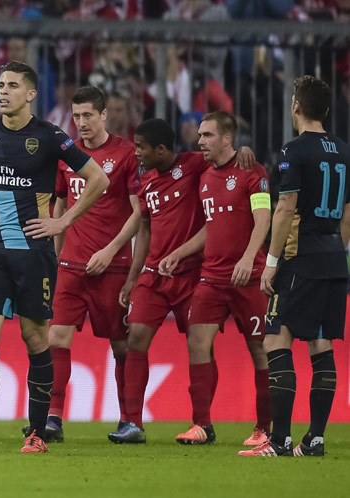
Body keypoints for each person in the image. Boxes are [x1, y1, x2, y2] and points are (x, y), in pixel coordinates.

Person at [0, 60, 109, 454]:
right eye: (0, 85)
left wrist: (61, 222)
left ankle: (36, 432)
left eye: (12, 86)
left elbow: (99, 179)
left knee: (35, 338)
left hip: (34, 253)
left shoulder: (50, 137)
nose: (3, 92)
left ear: (31, 94)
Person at [112, 118, 255, 444]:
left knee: (199, 346)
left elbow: (226, 158)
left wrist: (244, 150)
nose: (137, 153)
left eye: (142, 148)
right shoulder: (145, 181)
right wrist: (133, 278)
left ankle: (203, 422)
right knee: (135, 337)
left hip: (193, 274)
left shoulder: (193, 165)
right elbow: (145, 230)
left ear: (161, 149)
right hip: (153, 275)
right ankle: (132, 424)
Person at [241, 75, 350, 458]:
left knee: (276, 340)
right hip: (336, 258)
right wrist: (336, 252)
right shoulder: (344, 150)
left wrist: (272, 263)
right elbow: (348, 214)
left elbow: (285, 207)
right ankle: (315, 439)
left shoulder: (293, 150)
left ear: (296, 107)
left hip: (299, 259)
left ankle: (280, 441)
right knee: (321, 345)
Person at [27, 86, 141, 443]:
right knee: (56, 336)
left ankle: (130, 421)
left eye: (88, 115)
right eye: (76, 116)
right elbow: (60, 209)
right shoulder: (68, 156)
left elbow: (139, 212)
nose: (82, 123)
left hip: (113, 266)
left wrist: (110, 251)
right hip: (71, 264)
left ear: (104, 115)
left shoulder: (125, 154)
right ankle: (53, 418)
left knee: (121, 345)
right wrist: (53, 255)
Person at [158, 111, 271, 446]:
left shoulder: (253, 171)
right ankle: (202, 425)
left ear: (227, 138)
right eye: (200, 135)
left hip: (249, 277)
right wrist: (180, 252)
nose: (200, 141)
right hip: (212, 277)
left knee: (260, 350)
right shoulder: (206, 176)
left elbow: (262, 219)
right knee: (197, 342)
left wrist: (250, 258)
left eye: (207, 135)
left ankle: (264, 428)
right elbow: (212, 227)